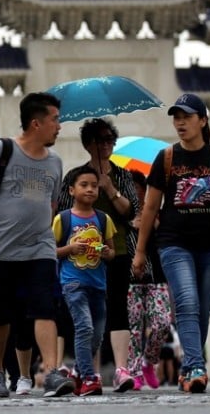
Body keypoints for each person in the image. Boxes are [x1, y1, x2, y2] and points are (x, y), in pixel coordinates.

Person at [0, 91, 75, 398]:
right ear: (36, 123)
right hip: (2, 249)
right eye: (55, 120)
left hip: (40, 249)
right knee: (0, 314)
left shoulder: (55, 162)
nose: (59, 127)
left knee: (45, 308)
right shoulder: (3, 150)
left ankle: (51, 372)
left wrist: (42, 234)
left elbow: (50, 205)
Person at [132, 92, 210, 394]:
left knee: (202, 309)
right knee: (188, 303)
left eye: (186, 117)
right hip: (173, 243)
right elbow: (151, 208)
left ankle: (189, 367)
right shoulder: (166, 158)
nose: (179, 122)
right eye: (176, 117)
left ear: (203, 120)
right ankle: (196, 366)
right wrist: (141, 251)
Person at [55, 117, 139, 392]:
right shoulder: (75, 177)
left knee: (116, 308)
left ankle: (120, 368)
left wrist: (110, 189)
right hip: (79, 260)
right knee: (84, 315)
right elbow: (62, 215)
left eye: (109, 140)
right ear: (88, 144)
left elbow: (132, 211)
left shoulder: (123, 175)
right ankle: (88, 370)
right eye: (99, 140)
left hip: (117, 251)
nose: (105, 145)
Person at [54, 165, 117, 397]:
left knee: (97, 334)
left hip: (98, 284)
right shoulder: (63, 219)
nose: (90, 189)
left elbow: (112, 252)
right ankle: (90, 378)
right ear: (71, 190)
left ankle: (77, 374)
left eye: (94, 186)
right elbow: (51, 250)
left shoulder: (103, 218)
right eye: (84, 185)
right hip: (73, 283)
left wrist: (103, 251)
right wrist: (70, 248)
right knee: (84, 327)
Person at [125, 169, 171, 390]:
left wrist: (154, 225)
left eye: (136, 188)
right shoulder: (121, 216)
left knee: (163, 322)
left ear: (144, 190)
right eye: (129, 189)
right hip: (130, 281)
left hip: (157, 278)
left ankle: (148, 361)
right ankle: (133, 373)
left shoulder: (157, 214)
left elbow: (168, 242)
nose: (133, 193)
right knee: (133, 328)